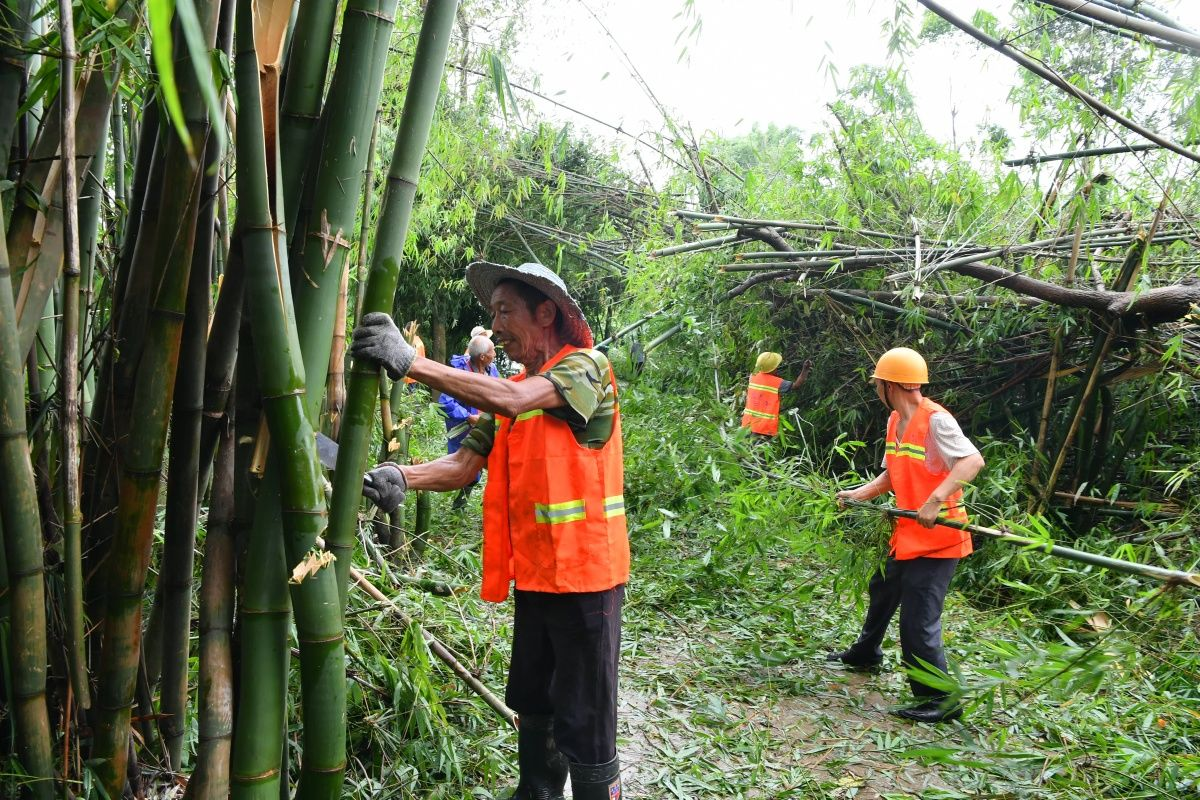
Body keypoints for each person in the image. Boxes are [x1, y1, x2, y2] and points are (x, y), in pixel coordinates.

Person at [350, 261, 627, 800]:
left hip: (587, 583)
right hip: (537, 579)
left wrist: (412, 364)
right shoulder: (511, 392)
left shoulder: (586, 369)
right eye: (492, 314)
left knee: (586, 722)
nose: (495, 327)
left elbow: (518, 401)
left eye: (505, 312)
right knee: (535, 705)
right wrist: (399, 476)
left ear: (546, 312)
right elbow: (461, 468)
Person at [829, 347, 985, 723]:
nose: (875, 389)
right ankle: (866, 652)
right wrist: (858, 494)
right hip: (908, 534)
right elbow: (892, 474)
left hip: (939, 541)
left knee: (918, 623)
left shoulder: (936, 421)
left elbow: (972, 460)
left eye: (877, 384)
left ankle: (941, 700)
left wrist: (934, 500)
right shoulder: (895, 421)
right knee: (882, 588)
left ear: (888, 384)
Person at [438, 334, 500, 509]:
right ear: (482, 357)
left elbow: (500, 393)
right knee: (467, 468)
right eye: (492, 351)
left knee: (491, 463)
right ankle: (459, 504)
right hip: (464, 429)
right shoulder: (459, 372)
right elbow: (445, 403)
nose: (495, 354)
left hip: (486, 426)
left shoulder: (492, 370)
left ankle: (486, 500)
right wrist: (468, 416)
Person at [740, 351, 811, 436]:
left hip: (748, 425)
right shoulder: (777, 383)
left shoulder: (752, 377)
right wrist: (805, 370)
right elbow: (796, 385)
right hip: (764, 428)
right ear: (773, 368)